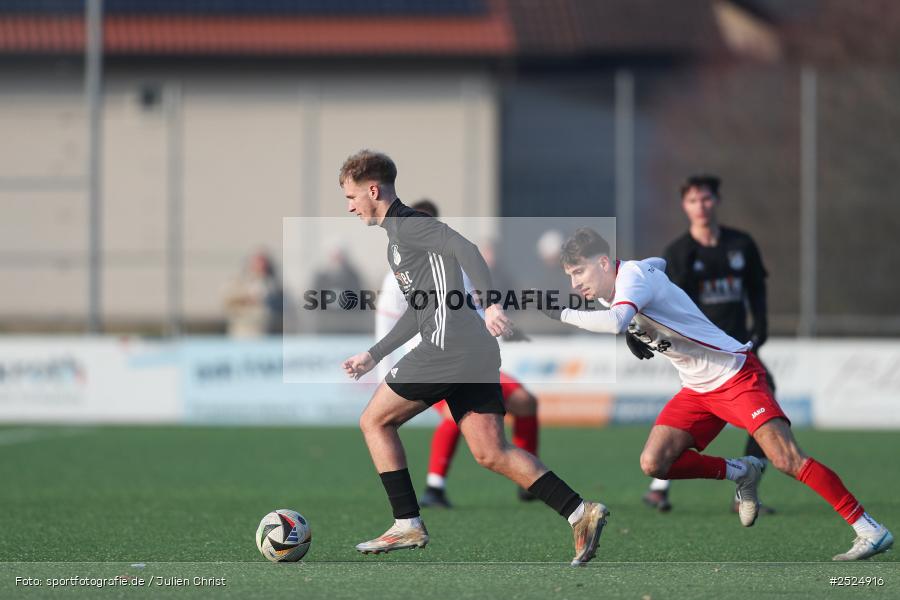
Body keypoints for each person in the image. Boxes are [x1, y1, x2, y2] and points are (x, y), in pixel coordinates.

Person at [538, 227, 892, 561]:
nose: (575, 283)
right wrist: (640, 322)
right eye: (570, 275)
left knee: (787, 459)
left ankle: (869, 528)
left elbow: (618, 319)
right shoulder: (621, 283)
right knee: (655, 463)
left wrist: (564, 314)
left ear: (603, 263)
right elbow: (657, 265)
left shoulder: (631, 278)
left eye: (579, 272)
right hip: (696, 389)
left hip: (735, 375)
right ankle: (741, 471)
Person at [339, 150, 607, 566]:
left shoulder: (411, 226)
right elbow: (420, 309)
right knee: (490, 452)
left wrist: (493, 303)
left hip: (448, 348)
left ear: (373, 189)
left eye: (352, 196)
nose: (350, 207)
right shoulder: (398, 239)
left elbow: (466, 248)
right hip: (473, 350)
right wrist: (374, 354)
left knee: (374, 420)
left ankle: (407, 521)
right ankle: (579, 511)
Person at [374, 200, 540, 508]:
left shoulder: (454, 266)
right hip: (427, 364)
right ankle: (435, 487)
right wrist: (381, 370)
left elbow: (473, 310)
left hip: (469, 358)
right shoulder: (396, 275)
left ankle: (530, 483)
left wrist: (495, 324)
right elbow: (387, 324)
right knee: (457, 415)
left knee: (525, 402)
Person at [640, 174, 775, 514]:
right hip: (698, 350)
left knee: (764, 402)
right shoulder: (679, 252)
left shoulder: (741, 244)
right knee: (693, 413)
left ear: (717, 201)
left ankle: (739, 485)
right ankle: (664, 484)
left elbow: (757, 290)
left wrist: (760, 328)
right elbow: (661, 301)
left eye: (706, 199)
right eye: (693, 200)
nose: (701, 206)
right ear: (684, 206)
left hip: (737, 348)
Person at [223, 250, 284, 337]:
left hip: (266, 333)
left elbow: (279, 307)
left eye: (263, 264)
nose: (260, 267)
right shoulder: (239, 282)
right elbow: (228, 302)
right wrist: (247, 298)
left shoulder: (273, 284)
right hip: (242, 332)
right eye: (257, 263)